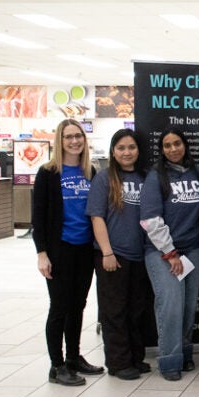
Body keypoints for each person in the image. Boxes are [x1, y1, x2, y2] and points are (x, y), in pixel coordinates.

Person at [32, 118, 104, 386]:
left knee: (79, 306)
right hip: (59, 249)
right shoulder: (48, 173)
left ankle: (74, 357)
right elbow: (38, 217)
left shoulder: (91, 173)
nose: (74, 141)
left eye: (78, 136)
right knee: (59, 307)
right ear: (59, 141)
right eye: (68, 136)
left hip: (85, 249)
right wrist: (42, 253)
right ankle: (57, 365)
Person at [141, 128, 199, 382]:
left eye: (177, 143)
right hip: (163, 252)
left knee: (189, 306)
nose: (173, 149)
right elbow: (149, 219)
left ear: (185, 145)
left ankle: (185, 353)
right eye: (167, 145)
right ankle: (169, 361)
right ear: (162, 150)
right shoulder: (155, 177)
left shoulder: (196, 173)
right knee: (171, 306)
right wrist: (170, 252)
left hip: (193, 249)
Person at [86, 128, 151, 381]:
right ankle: (118, 362)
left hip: (140, 255)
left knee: (136, 310)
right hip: (113, 255)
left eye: (131, 147)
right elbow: (96, 216)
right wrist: (107, 252)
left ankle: (135, 357)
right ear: (113, 151)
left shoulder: (146, 178)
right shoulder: (104, 179)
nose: (127, 152)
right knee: (114, 311)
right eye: (121, 148)